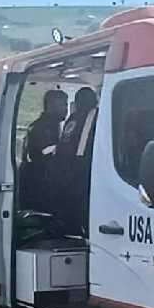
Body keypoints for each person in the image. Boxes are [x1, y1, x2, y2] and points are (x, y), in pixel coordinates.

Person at [54, 87, 99, 235]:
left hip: (65, 172)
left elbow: (63, 147)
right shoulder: (95, 116)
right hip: (83, 172)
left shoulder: (72, 119)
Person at [22, 90, 68, 211]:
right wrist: (62, 148)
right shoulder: (40, 127)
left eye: (66, 105)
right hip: (37, 182)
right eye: (62, 105)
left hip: (48, 181)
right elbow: (37, 155)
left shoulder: (55, 126)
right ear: (50, 106)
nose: (65, 109)